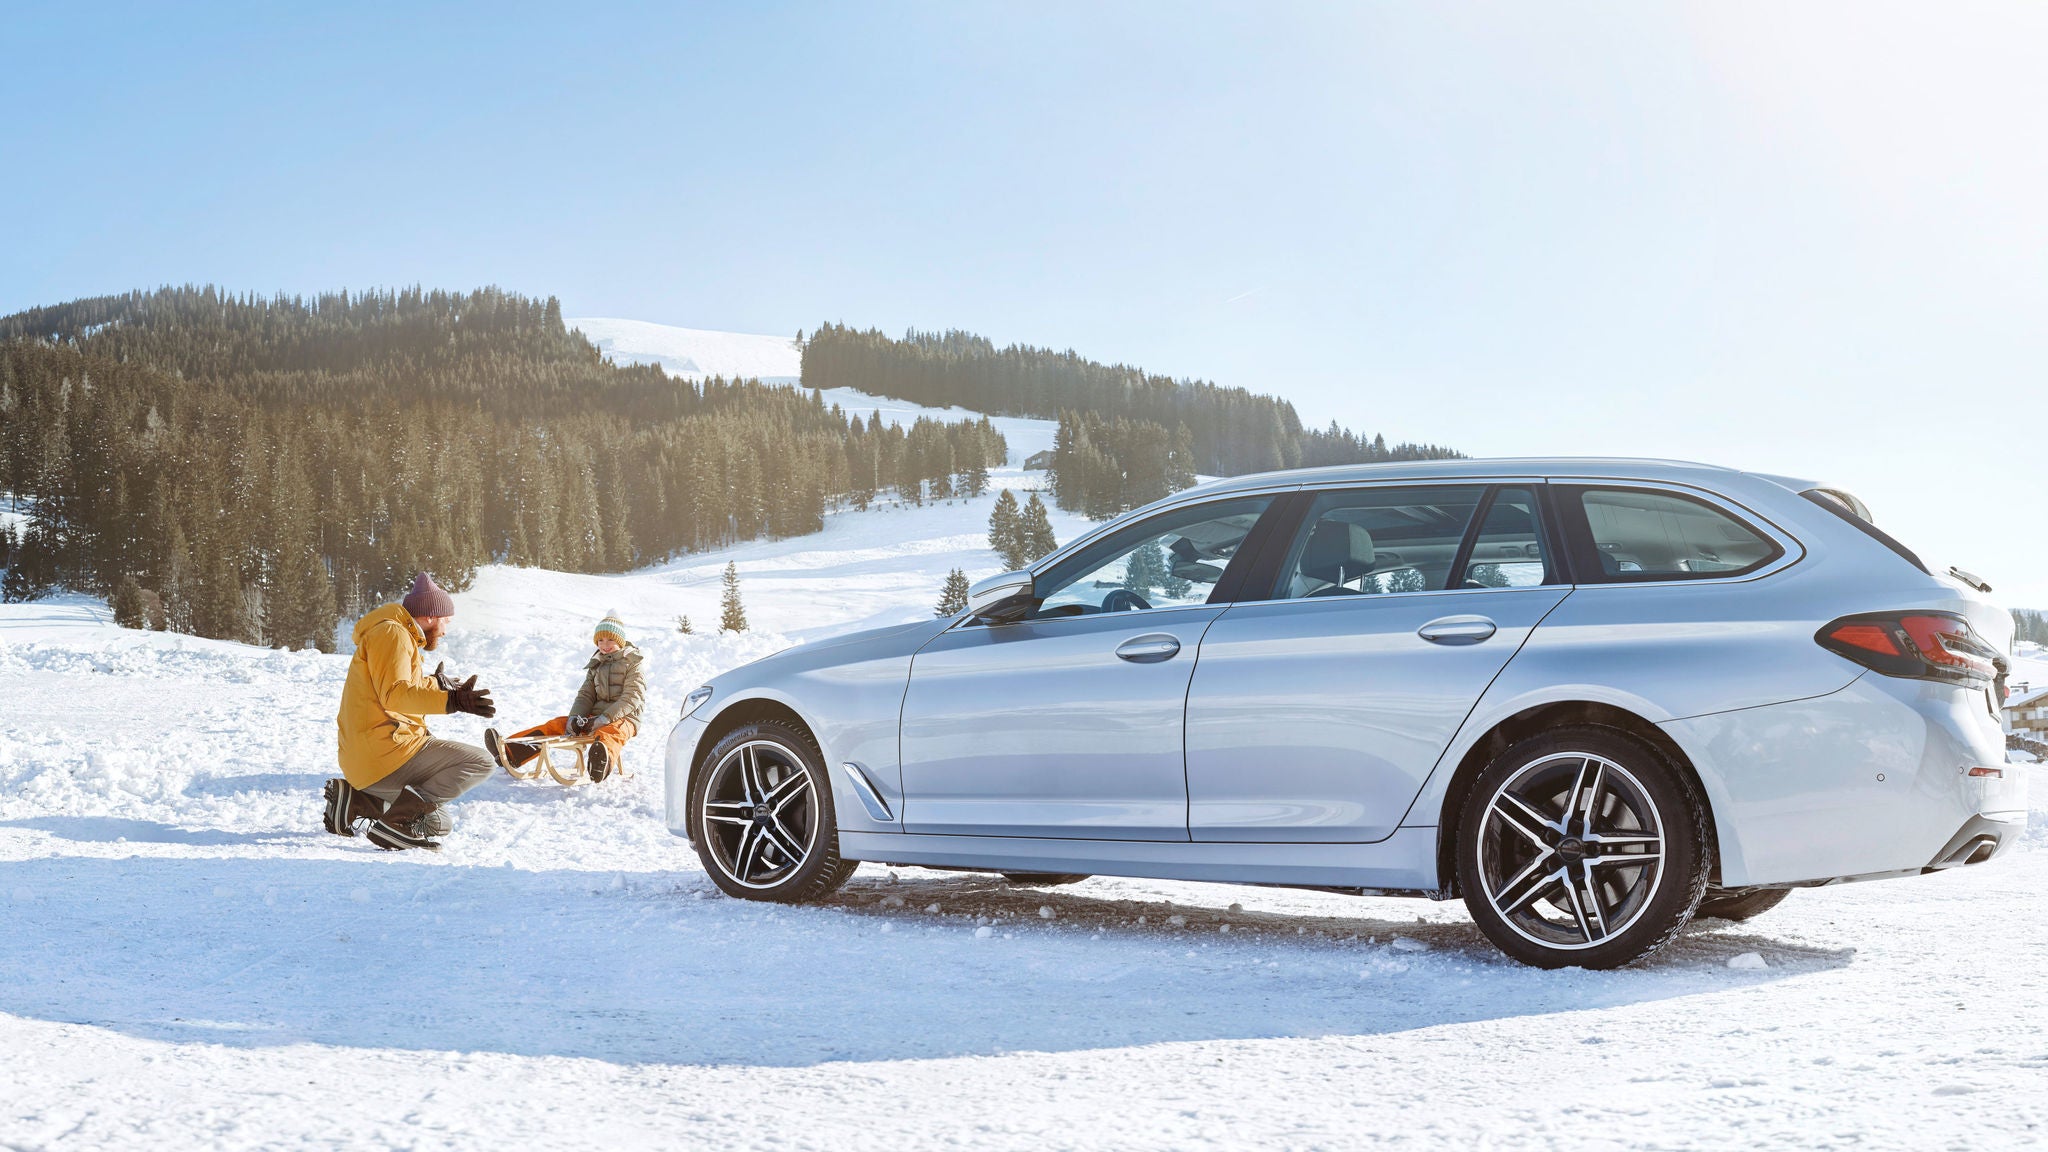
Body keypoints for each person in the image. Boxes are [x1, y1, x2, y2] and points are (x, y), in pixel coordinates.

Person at [323, 572, 498, 851]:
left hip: (369, 758)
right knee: (481, 762)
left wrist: (436, 684)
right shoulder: (392, 633)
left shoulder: (393, 634)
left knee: (440, 823)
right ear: (430, 616)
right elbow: (395, 694)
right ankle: (396, 823)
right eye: (445, 621)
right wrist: (452, 701)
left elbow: (400, 684)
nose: (445, 629)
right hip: (385, 752)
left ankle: (356, 801)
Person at [486, 609, 645, 783]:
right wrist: (575, 718)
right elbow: (585, 695)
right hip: (595, 718)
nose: (605, 645)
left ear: (620, 641)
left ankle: (601, 765)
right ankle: (509, 752)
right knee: (557, 725)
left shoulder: (633, 663)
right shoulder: (596, 665)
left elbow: (632, 697)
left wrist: (605, 718)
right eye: (600, 640)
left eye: (610, 640)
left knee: (611, 732)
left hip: (625, 719)